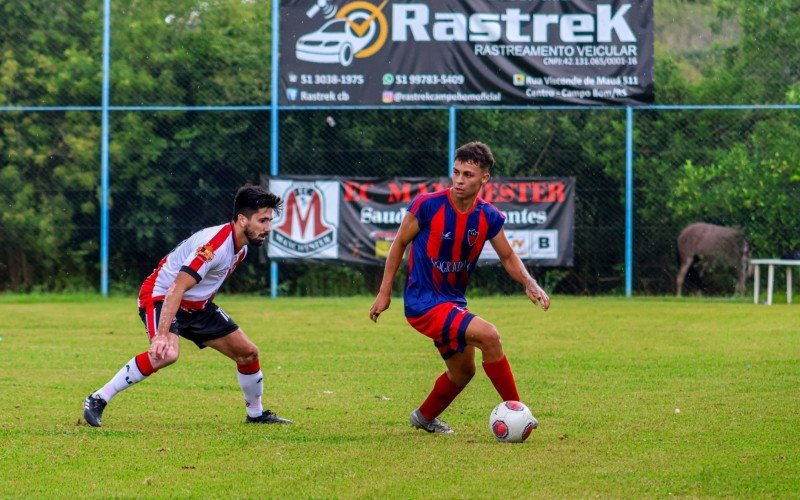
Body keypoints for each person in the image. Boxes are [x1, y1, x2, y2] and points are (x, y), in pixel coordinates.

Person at [369, 141, 550, 435]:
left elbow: (507, 255)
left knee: (463, 371)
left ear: (484, 179)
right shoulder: (428, 205)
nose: (459, 180)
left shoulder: (487, 215)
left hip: (452, 302)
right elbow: (399, 242)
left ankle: (424, 417)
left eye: (467, 174)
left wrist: (529, 282)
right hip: (424, 303)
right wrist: (385, 292)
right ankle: (518, 412)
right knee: (490, 336)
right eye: (456, 173)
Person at [83, 184, 293, 427]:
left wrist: (208, 319)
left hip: (196, 306)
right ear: (242, 219)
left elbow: (210, 285)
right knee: (167, 353)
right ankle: (98, 398)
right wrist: (162, 335)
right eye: (263, 220)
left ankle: (255, 415)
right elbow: (176, 288)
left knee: (248, 353)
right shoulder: (213, 247)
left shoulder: (241, 248)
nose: (268, 228)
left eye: (269, 221)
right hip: (162, 296)